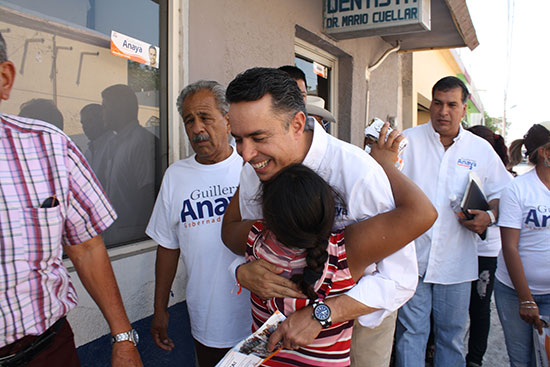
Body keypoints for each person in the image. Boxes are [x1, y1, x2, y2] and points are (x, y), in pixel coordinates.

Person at [222, 67, 424, 367]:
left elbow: (400, 279)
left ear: (297, 124)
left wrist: (323, 314)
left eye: (258, 137)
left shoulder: (359, 174)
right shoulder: (254, 169)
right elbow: (255, 241)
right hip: (280, 334)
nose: (245, 154)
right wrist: (240, 271)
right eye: (237, 139)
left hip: (358, 325)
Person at [0, 32, 142, 367]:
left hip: (44, 352)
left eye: (103, 110)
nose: (95, 118)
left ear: (4, 80)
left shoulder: (49, 148)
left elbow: (87, 246)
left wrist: (123, 338)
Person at [244, 129, 436, 366]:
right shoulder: (344, 256)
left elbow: (229, 230)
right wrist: (387, 166)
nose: (246, 151)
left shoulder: (256, 241)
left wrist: (241, 271)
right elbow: (423, 213)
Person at [394, 76, 512, 367]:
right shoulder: (407, 141)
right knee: (411, 334)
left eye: (451, 104)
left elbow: (505, 193)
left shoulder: (480, 150)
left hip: (456, 264)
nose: (443, 111)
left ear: (464, 108)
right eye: (437, 103)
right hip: (413, 259)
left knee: (451, 337)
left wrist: (490, 216)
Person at [147, 81, 251, 367]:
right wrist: (160, 309)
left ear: (228, 121)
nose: (196, 128)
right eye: (189, 120)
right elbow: (168, 246)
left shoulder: (250, 167)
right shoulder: (176, 176)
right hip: (207, 319)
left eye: (205, 117)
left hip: (259, 316)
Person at [494, 122, 550, 366]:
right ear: (545, 153)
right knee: (522, 360)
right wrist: (526, 299)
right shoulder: (517, 190)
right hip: (513, 292)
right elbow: (509, 247)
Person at [465, 125, 514, 367]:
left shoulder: (499, 172)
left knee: (480, 308)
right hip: (459, 247)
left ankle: (474, 360)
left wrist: (490, 216)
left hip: (485, 252)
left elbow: (509, 204)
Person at [101, 84, 158, 245]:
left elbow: (147, 193)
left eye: (105, 107)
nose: (102, 113)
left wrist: (137, 236)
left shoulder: (141, 142)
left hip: (133, 238)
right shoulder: (114, 142)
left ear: (119, 109)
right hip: (114, 235)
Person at [80, 103, 114, 186]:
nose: (85, 127)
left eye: (89, 121)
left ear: (101, 120)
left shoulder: (113, 145)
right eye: (83, 123)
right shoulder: (88, 152)